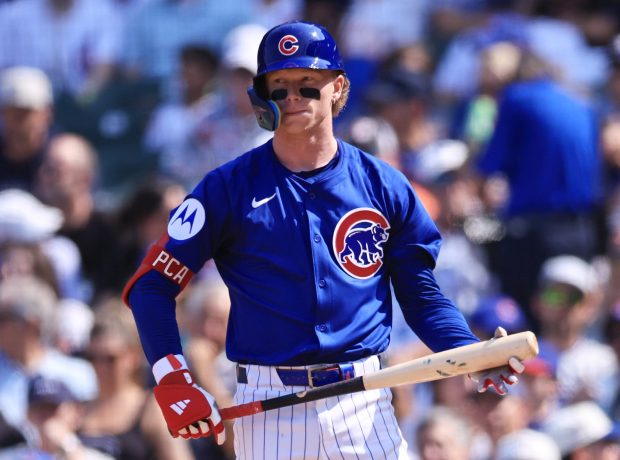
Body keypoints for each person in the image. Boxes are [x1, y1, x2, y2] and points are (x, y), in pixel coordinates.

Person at [123, 21, 523, 459]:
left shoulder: (383, 184)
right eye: (279, 85)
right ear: (262, 96)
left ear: (338, 88)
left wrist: (468, 351)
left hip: (364, 398)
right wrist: (173, 377)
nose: (293, 96)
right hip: (268, 402)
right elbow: (151, 286)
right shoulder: (226, 188)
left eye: (308, 83)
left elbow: (421, 294)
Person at [0, 66, 54, 192]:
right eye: (10, 111)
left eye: (25, 112)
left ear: (47, 113)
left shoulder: (59, 160)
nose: (16, 120)